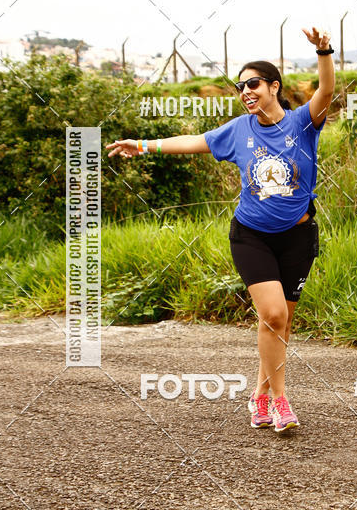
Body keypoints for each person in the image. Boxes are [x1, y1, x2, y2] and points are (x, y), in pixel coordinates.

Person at [106, 26, 335, 434]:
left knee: (278, 325)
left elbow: (326, 91)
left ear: (273, 87)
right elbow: (191, 141)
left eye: (253, 84)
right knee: (274, 313)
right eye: (240, 86)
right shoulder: (238, 130)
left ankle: (259, 395)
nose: (245, 91)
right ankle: (280, 402)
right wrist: (142, 145)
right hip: (252, 235)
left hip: (298, 236)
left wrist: (324, 52)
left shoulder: (303, 123)